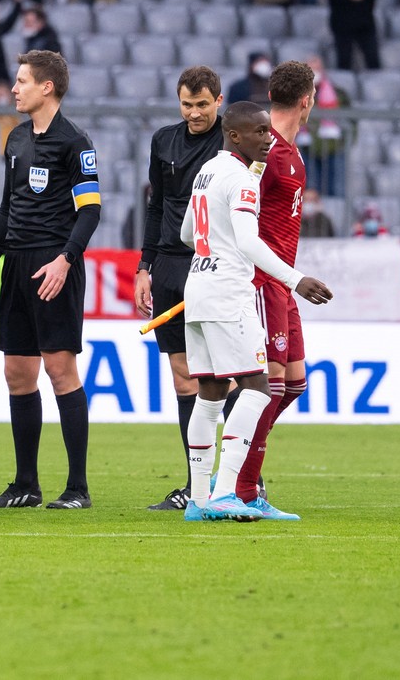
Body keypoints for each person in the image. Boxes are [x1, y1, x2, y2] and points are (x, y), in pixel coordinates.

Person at [177, 100, 332, 522]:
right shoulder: (243, 179)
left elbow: (188, 233)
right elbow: (248, 242)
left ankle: (199, 500)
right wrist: (296, 279)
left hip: (199, 287)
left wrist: (216, 247)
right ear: (234, 135)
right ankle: (226, 491)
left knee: (209, 397)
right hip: (229, 292)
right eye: (259, 132)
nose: (267, 138)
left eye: (268, 130)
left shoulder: (207, 170)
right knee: (258, 388)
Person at [0, 50, 100, 510]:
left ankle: (77, 488)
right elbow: (6, 210)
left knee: (60, 371)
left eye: (22, 81)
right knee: (17, 374)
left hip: (53, 264)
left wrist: (65, 260)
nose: (14, 89)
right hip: (14, 265)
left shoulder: (75, 142)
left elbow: (91, 211)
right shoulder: (16, 138)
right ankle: (25, 484)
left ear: (47, 87)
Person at [132, 66, 225, 512]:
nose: (194, 113)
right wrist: (143, 266)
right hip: (169, 265)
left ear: (218, 101)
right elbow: (155, 205)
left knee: (235, 374)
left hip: (214, 266)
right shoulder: (163, 141)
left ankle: (246, 479)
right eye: (187, 104)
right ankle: (195, 483)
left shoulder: (233, 141)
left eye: (202, 104)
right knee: (184, 376)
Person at [235, 60, 326, 518]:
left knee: (293, 387)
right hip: (263, 282)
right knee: (269, 388)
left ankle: (238, 472)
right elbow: (242, 218)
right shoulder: (265, 151)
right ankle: (243, 487)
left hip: (283, 286)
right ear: (306, 100)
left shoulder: (289, 149)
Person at [298, 55, 349, 198]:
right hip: (306, 147)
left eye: (317, 69)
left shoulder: (338, 93)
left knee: (335, 189)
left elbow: (350, 118)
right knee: (309, 189)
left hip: (334, 147)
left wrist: (344, 141)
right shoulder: (296, 94)